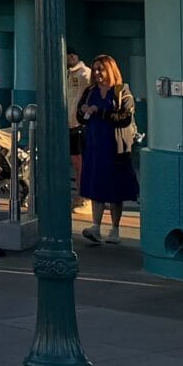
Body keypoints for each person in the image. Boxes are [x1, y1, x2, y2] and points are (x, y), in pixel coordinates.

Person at [76, 52, 140, 244]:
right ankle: (95, 226)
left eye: (100, 69)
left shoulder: (122, 91)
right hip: (94, 145)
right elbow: (80, 115)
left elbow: (125, 117)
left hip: (116, 147)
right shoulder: (90, 92)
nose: (97, 73)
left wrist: (101, 112)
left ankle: (115, 228)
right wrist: (84, 111)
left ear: (110, 70)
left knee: (115, 187)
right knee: (96, 184)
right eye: (95, 69)